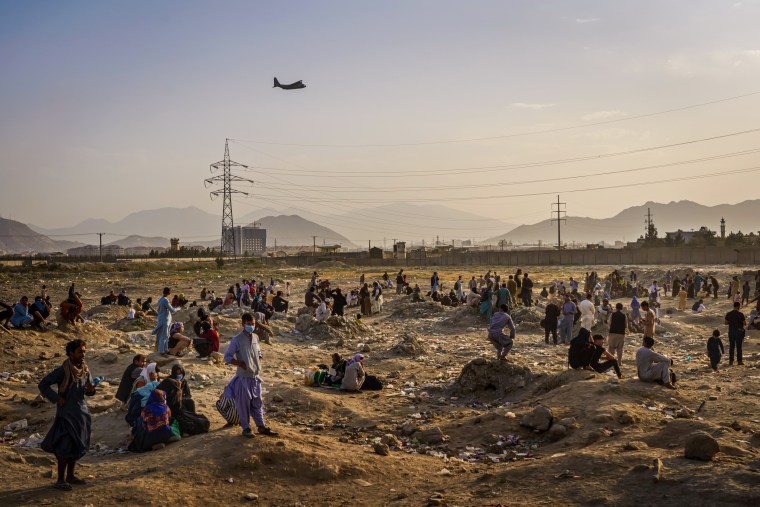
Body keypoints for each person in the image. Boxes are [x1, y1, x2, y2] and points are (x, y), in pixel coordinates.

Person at [38, 339, 96, 491]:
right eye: (80, 352)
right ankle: (60, 479)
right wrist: (57, 399)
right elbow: (43, 384)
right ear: (71, 353)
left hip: (81, 413)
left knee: (77, 443)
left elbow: (88, 391)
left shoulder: (85, 369)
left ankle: (70, 476)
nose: (83, 354)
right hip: (66, 413)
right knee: (65, 444)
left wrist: (90, 389)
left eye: (84, 351)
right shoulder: (62, 370)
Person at [223, 313, 278, 438]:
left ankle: (261, 426)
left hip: (255, 376)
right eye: (248, 324)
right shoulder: (237, 339)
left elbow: (258, 351)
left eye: (252, 324)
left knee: (257, 402)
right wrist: (240, 364)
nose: (251, 326)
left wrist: (258, 359)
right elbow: (227, 357)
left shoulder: (255, 337)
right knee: (244, 404)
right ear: (243, 324)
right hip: (243, 378)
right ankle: (246, 428)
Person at [157, 364, 209, 436]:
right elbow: (170, 399)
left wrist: (181, 397)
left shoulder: (184, 381)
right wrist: (178, 393)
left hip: (180, 404)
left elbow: (188, 394)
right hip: (172, 407)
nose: (179, 375)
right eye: (177, 373)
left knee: (189, 402)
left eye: (180, 373)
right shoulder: (169, 382)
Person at [153, 287, 178, 355]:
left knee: (162, 335)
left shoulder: (160, 299)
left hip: (161, 318)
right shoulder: (165, 300)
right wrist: (177, 309)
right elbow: (172, 310)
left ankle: (164, 349)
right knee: (164, 335)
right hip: (165, 320)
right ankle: (161, 351)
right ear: (169, 293)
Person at [724, 301, 746, 366]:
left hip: (731, 331)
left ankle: (731, 361)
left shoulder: (728, 314)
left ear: (734, 306)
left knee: (731, 346)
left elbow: (725, 323)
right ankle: (739, 361)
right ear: (738, 306)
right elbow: (744, 323)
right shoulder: (740, 314)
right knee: (739, 347)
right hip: (739, 332)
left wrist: (731, 322)